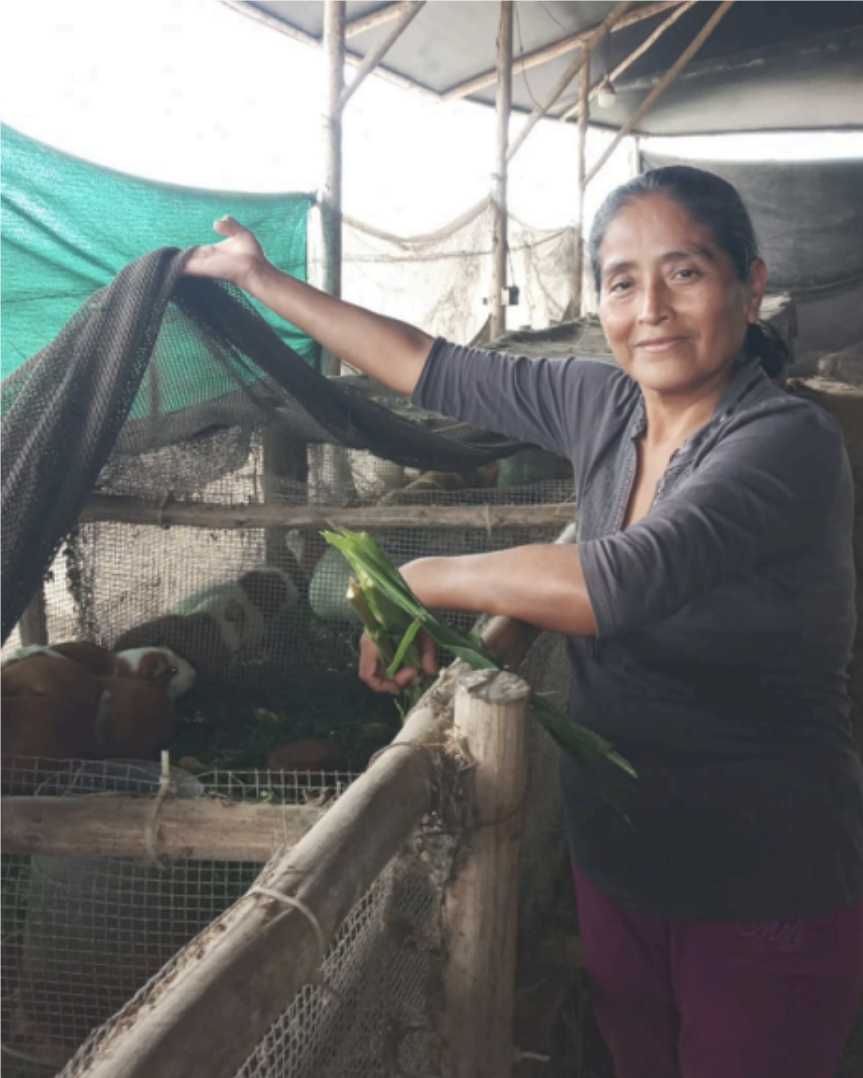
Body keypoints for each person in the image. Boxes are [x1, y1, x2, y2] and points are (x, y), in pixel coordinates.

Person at [184, 165, 863, 1078]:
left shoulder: (782, 441)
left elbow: (618, 582)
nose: (650, 308)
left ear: (750, 284)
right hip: (620, 850)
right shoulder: (604, 404)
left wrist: (423, 577)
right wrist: (262, 281)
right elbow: (427, 365)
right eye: (621, 282)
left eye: (685, 272)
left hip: (761, 868)